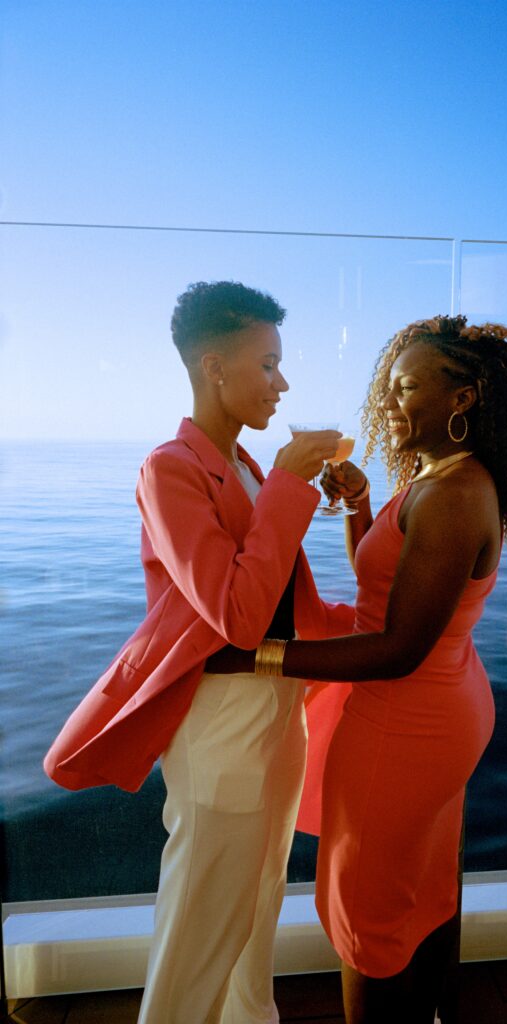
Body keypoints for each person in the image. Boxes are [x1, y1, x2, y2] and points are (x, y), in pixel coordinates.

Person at [210, 314, 507, 1024]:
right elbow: (386, 586)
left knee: (365, 914)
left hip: (407, 722)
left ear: (462, 400)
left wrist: (255, 657)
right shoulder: (437, 474)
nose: (389, 404)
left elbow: (396, 648)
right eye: (389, 389)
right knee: (419, 892)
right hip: (442, 702)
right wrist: (360, 508)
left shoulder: (454, 496)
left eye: (405, 388)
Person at [43, 280, 354, 1024]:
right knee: (201, 923)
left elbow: (289, 605)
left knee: (256, 906)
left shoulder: (248, 468)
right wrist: (289, 481)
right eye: (269, 365)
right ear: (215, 368)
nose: (283, 384)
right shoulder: (169, 470)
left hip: (277, 709)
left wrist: (357, 507)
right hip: (221, 719)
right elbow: (240, 616)